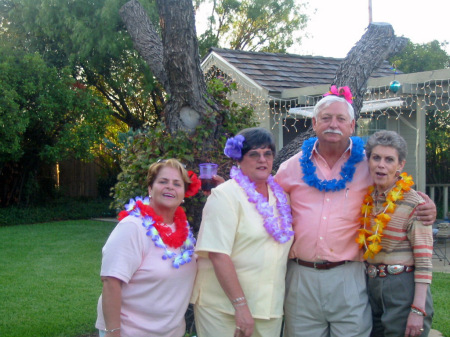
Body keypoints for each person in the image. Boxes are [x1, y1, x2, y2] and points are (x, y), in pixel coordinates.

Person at [275, 86, 437, 337]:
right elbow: (265, 200)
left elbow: (399, 189)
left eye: (341, 119)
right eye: (326, 118)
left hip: (349, 274)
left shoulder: (369, 163)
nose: (333, 124)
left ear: (352, 125)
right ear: (315, 123)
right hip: (300, 275)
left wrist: (426, 205)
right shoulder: (290, 167)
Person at [191, 127, 294, 337]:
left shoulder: (281, 197)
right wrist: (240, 306)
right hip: (224, 308)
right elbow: (218, 254)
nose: (262, 160)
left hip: (268, 308)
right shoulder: (225, 195)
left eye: (268, 154)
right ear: (238, 159)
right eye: (254, 154)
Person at [95, 159, 201, 337]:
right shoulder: (133, 228)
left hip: (172, 332)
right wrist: (113, 332)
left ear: (184, 194)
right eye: (163, 182)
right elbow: (111, 282)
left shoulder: (184, 232)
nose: (170, 187)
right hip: (130, 332)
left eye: (177, 184)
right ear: (150, 189)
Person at [359, 131, 433, 337]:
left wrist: (418, 310)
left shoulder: (416, 203)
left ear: (400, 165)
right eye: (376, 158)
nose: (381, 165)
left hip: (403, 289)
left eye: (389, 159)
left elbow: (425, 261)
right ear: (369, 161)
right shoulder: (367, 198)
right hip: (371, 287)